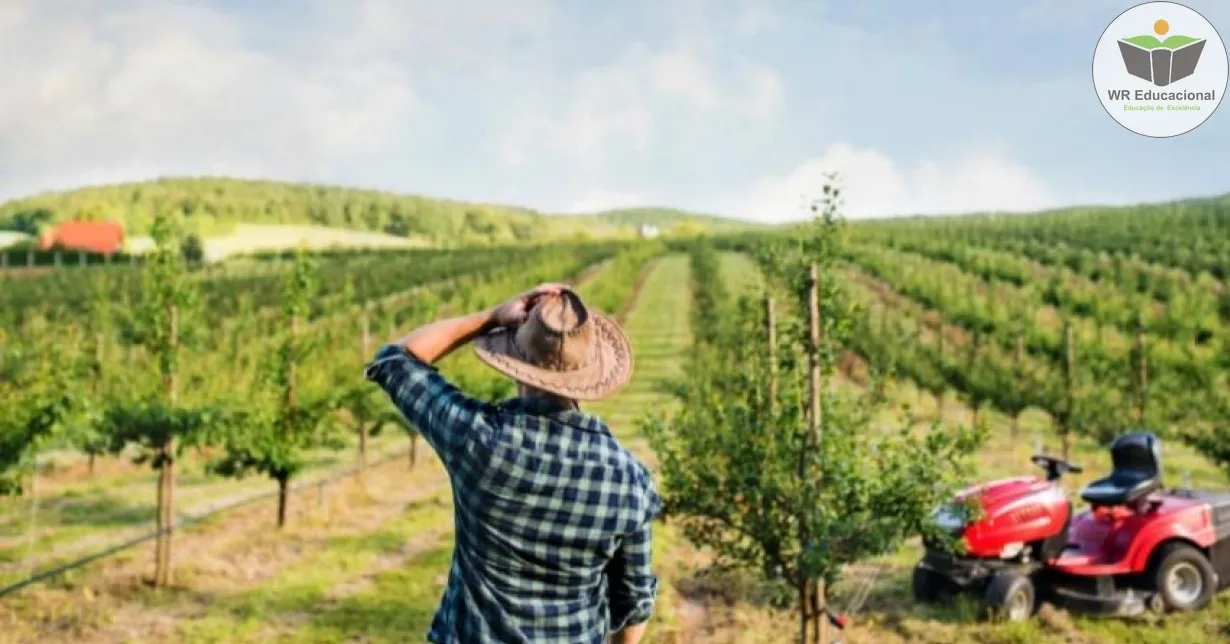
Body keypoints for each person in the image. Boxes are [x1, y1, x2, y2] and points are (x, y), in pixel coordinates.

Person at [365, 283, 660, 644]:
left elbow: (394, 360)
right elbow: (635, 600)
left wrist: (488, 318)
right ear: (591, 374)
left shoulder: (476, 439)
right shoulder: (629, 481)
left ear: (514, 361)